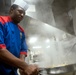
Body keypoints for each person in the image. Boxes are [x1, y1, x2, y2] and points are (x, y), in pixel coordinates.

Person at [0, 0, 38, 75]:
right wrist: (25, 66)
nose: (22, 15)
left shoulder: (21, 31)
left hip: (13, 72)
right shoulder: (1, 21)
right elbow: (1, 50)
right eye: (20, 11)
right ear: (11, 10)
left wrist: (21, 68)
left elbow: (23, 51)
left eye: (24, 13)